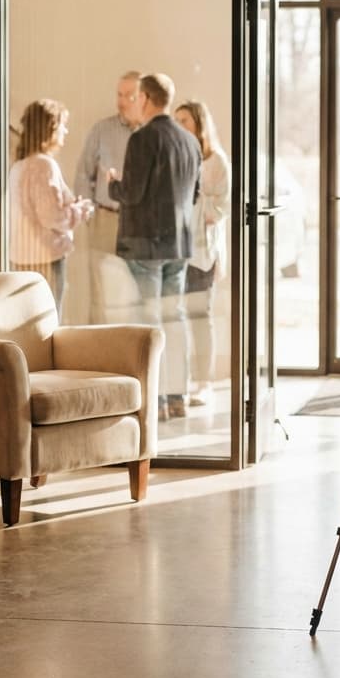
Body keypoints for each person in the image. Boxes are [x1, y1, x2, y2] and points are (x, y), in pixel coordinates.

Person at [108, 73, 201, 420]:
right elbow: (194, 194)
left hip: (145, 245)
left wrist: (113, 184)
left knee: (148, 322)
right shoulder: (190, 141)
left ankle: (155, 401)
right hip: (179, 244)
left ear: (145, 98)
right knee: (174, 319)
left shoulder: (142, 138)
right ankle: (178, 396)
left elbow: (131, 194)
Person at [8, 99, 94, 321]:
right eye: (63, 124)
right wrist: (78, 211)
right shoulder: (43, 165)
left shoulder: (19, 165)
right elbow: (51, 216)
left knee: (26, 320)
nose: (66, 130)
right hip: (45, 256)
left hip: (21, 254)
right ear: (51, 128)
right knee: (49, 319)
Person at [72, 71, 144, 322]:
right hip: (106, 218)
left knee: (138, 290)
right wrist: (90, 214)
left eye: (129, 95)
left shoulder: (151, 134)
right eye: (119, 94)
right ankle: (96, 353)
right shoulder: (102, 130)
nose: (121, 101)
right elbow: (83, 174)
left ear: (143, 98)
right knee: (100, 291)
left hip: (140, 222)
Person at [175, 100, 231, 408]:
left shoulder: (216, 161)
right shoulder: (176, 156)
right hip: (175, 251)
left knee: (200, 317)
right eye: (177, 120)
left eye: (184, 120)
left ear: (198, 123)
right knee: (174, 318)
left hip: (202, 253)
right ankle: (178, 382)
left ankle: (203, 382)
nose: (179, 125)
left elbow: (219, 209)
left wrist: (194, 202)